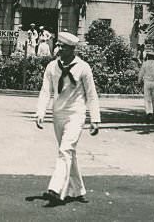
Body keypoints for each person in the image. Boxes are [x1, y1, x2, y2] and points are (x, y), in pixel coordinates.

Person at [35, 32, 100, 205]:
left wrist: (95, 118)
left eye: (63, 47)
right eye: (58, 45)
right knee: (68, 152)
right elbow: (45, 91)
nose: (59, 49)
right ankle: (78, 190)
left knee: (65, 149)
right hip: (58, 114)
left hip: (76, 114)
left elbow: (91, 94)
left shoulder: (83, 67)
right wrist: (41, 112)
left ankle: (55, 189)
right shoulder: (51, 67)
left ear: (72, 49)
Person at [138, 51, 154, 120]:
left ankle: (148, 112)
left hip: (147, 82)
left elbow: (141, 73)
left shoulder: (145, 64)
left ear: (148, 56)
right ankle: (152, 111)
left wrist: (139, 81)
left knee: (147, 98)